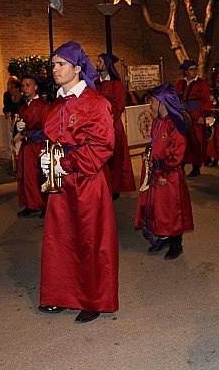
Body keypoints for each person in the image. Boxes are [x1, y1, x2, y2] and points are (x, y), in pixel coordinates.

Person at [38, 41, 118, 324]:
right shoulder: (57, 103)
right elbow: (52, 139)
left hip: (86, 182)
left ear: (77, 68)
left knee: (90, 240)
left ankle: (92, 299)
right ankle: (61, 295)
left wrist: (67, 162)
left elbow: (102, 146)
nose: (54, 69)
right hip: (60, 183)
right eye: (53, 64)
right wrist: (47, 159)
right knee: (60, 239)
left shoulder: (96, 103)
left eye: (60, 64)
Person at [134, 83, 194, 260]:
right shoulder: (157, 122)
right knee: (157, 209)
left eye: (152, 101)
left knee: (171, 211)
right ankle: (165, 237)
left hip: (169, 175)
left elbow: (178, 151)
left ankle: (176, 243)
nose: (150, 105)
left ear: (162, 102)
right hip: (156, 173)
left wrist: (166, 172)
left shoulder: (175, 124)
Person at [95, 53, 136, 200]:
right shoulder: (95, 83)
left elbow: (119, 106)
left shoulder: (116, 84)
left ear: (107, 64)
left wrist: (106, 118)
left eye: (99, 61)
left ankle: (115, 188)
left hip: (112, 125)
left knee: (115, 157)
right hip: (97, 126)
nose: (97, 63)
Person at [15, 75, 49, 218]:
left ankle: (46, 206)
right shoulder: (23, 106)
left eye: (28, 85)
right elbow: (22, 127)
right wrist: (19, 128)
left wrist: (46, 148)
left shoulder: (42, 106)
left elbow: (47, 128)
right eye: (23, 85)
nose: (25, 88)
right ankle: (32, 204)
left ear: (35, 87)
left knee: (42, 176)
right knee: (27, 176)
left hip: (39, 144)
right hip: (27, 145)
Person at [175, 60, 211, 177]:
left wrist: (202, 115)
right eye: (191, 69)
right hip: (182, 114)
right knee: (181, 141)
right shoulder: (180, 83)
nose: (194, 71)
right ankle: (181, 165)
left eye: (196, 69)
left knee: (195, 141)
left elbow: (205, 101)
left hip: (196, 114)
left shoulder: (201, 84)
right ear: (186, 71)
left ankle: (196, 166)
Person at [204, 89, 219, 167]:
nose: (209, 97)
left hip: (216, 126)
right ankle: (208, 158)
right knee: (207, 143)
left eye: (211, 95)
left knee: (216, 143)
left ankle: (215, 159)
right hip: (208, 126)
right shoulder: (207, 104)